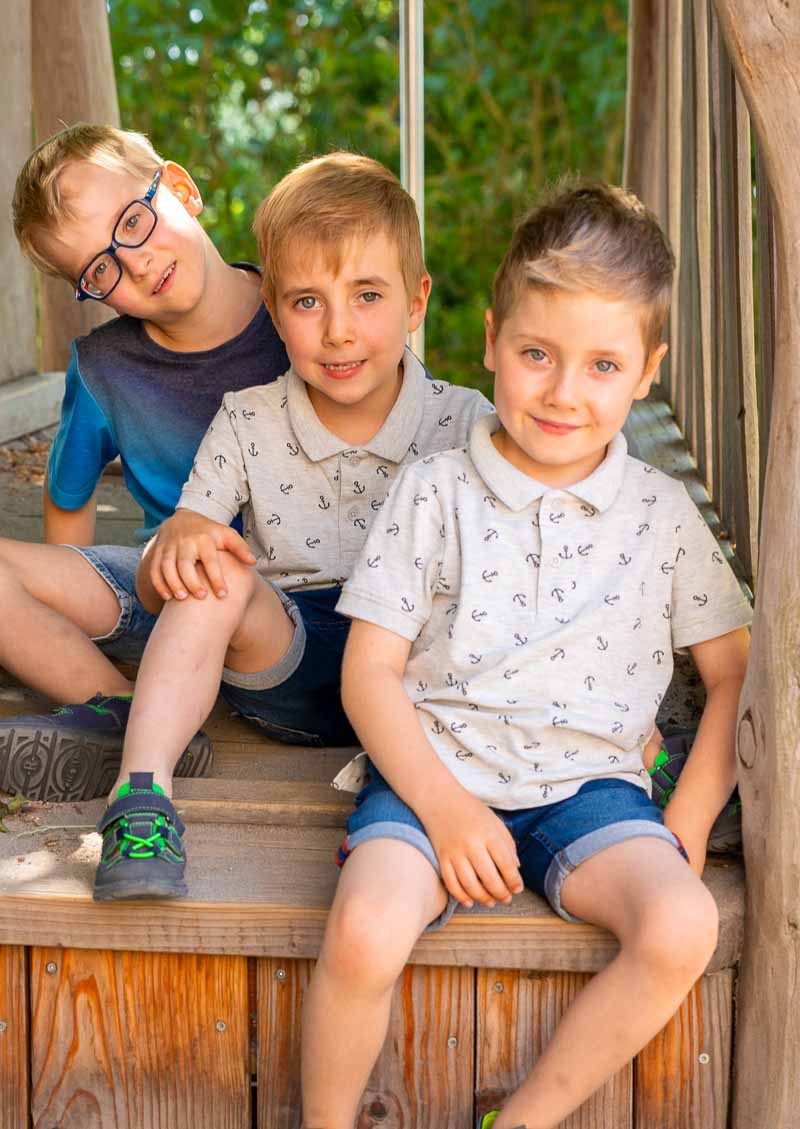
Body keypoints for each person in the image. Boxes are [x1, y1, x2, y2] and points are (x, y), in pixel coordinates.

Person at [301, 181, 752, 1129]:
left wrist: (690, 816)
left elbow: (732, 672)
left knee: (683, 924)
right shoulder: (437, 490)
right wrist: (445, 806)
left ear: (646, 370)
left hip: (593, 789)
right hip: (432, 773)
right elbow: (368, 671)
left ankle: (525, 1118)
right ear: (492, 339)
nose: (561, 391)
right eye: (537, 354)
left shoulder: (663, 514)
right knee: (365, 926)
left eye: (601, 365)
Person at [90, 151, 493, 901]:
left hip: (423, 681)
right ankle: (140, 795)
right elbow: (167, 571)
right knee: (215, 570)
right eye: (307, 302)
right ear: (273, 312)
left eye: (367, 295)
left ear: (417, 302)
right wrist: (178, 538)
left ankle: (594, 749)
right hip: (292, 664)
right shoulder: (248, 417)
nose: (338, 330)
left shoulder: (465, 422)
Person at [0, 123, 289, 802]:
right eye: (99, 270)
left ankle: (139, 729)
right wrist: (62, 627)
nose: (135, 263)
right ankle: (131, 715)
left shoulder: (302, 310)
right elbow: (68, 500)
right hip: (164, 589)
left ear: (181, 189)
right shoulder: (102, 370)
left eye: (134, 220)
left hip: (283, 607)